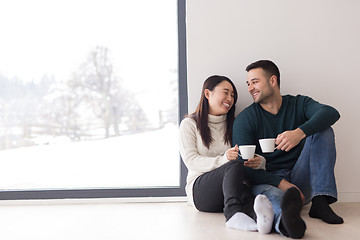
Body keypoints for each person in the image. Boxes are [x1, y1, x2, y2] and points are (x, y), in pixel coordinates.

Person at [233, 60, 343, 239]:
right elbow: (242, 166)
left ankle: (320, 201)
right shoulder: (246, 119)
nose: (250, 88)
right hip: (268, 180)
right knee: (273, 198)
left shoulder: (299, 103)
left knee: (323, 130)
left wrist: (299, 133)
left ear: (273, 81)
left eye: (254, 82)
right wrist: (282, 184)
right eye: (248, 84)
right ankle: (286, 222)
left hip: (301, 178)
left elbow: (331, 113)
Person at [179, 75, 274, 234]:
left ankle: (272, 224)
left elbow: (252, 152)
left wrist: (259, 161)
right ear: (208, 94)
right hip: (201, 192)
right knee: (234, 165)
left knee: (249, 197)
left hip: (232, 191)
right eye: (226, 92)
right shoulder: (189, 124)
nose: (230, 98)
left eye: (233, 95)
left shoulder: (236, 124)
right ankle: (233, 215)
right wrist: (223, 159)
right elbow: (191, 161)